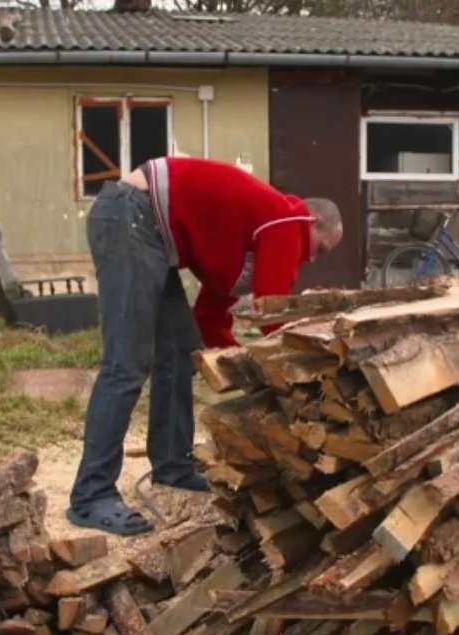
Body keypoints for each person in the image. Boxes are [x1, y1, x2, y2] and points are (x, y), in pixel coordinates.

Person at [67, 156, 344, 536]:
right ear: (312, 222)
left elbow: (210, 320)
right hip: (130, 215)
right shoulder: (286, 219)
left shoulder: (247, 239)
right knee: (127, 362)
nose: (313, 258)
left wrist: (244, 371)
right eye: (322, 248)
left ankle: (172, 465)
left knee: (180, 352)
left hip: (147, 230)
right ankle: (91, 495)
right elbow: (273, 313)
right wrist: (297, 368)